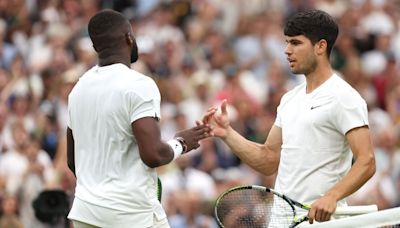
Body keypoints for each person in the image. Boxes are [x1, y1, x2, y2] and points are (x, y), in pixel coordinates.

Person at [202, 10, 376, 224]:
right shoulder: (289, 100)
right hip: (281, 220)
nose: (287, 50)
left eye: (295, 43)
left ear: (320, 46)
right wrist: (227, 134)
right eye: (286, 43)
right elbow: (268, 160)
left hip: (322, 222)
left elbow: (366, 161)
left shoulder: (344, 97)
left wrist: (332, 196)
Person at [66, 9, 213, 228]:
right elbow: (153, 154)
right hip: (131, 214)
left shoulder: (77, 90)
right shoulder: (138, 84)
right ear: (129, 38)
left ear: (96, 47)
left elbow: (72, 161)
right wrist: (181, 143)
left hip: (85, 212)